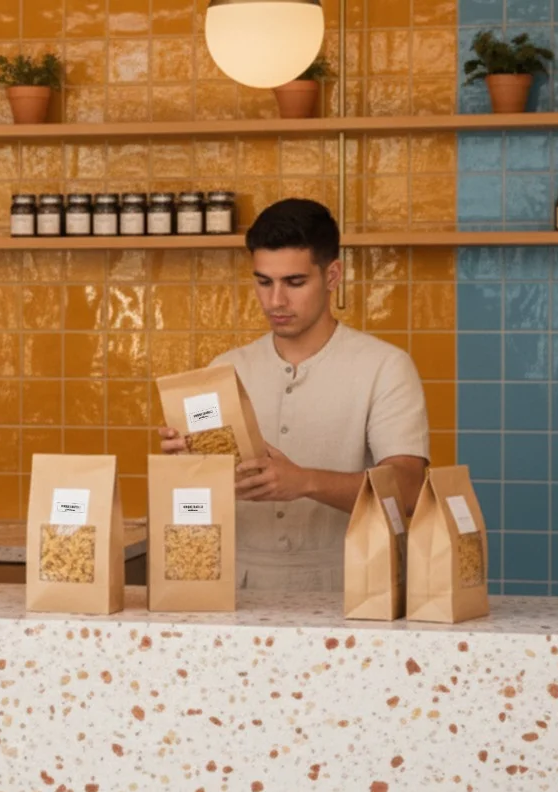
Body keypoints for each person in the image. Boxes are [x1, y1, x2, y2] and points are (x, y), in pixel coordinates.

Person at [160, 198, 429, 591]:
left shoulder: (385, 367)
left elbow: (408, 490)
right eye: (263, 282)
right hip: (238, 586)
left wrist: (305, 482)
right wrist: (187, 461)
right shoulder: (225, 370)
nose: (276, 301)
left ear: (332, 275)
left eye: (294, 282)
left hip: (352, 586)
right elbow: (199, 490)